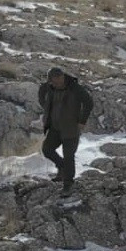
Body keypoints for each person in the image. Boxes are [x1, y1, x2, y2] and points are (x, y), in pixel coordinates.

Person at [38, 67, 93, 195]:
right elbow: (41, 92)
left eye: (59, 78)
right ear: (50, 80)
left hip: (70, 129)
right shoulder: (50, 87)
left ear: (63, 76)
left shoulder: (74, 88)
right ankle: (62, 167)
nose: (58, 82)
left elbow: (88, 102)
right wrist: (45, 108)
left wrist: (82, 121)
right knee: (47, 149)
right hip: (55, 128)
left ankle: (68, 184)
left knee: (69, 156)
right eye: (54, 80)